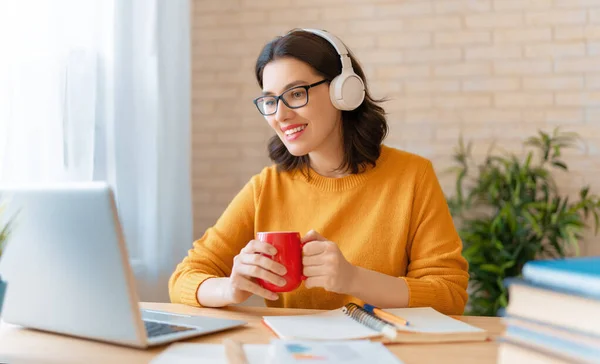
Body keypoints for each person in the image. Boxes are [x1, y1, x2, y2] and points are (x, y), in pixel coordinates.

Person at [169, 28, 469, 315]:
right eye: (270, 101)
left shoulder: (412, 176)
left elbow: (448, 294)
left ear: (344, 91)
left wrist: (352, 279)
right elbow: (185, 278)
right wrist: (230, 289)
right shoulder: (266, 187)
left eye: (296, 94)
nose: (280, 115)